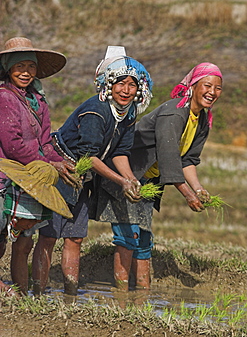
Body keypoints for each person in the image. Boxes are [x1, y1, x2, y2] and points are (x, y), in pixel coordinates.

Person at [91, 62, 223, 291]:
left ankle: (142, 294)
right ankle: (122, 295)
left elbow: (188, 160)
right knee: (128, 236)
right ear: (193, 85)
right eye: (207, 85)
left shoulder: (201, 119)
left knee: (143, 239)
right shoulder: (174, 112)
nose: (212, 92)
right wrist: (187, 194)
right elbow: (168, 156)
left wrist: (199, 189)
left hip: (148, 182)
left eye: (218, 88)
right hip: (128, 174)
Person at [32, 46, 153, 295]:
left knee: (75, 237)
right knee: (49, 235)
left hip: (84, 177)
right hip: (62, 170)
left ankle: (70, 293)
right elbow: (89, 154)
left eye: (132, 85)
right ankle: (38, 292)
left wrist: (131, 179)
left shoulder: (128, 113)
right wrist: (121, 181)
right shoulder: (95, 111)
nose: (126, 90)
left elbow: (120, 152)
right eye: (120, 84)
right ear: (108, 85)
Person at [0, 37, 77, 294]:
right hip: (7, 175)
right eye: (19, 66)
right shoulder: (5, 98)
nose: (25, 72)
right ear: (8, 68)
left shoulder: (38, 101)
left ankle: (22, 293)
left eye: (30, 67)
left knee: (24, 241)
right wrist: (48, 164)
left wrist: (59, 162)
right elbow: (13, 145)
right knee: (2, 236)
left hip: (31, 177)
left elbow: (45, 140)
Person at [0, 159, 73, 296]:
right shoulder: (2, 210)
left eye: (36, 222)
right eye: (30, 222)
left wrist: (21, 295)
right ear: (20, 214)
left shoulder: (27, 216)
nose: (31, 227)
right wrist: (4, 287)